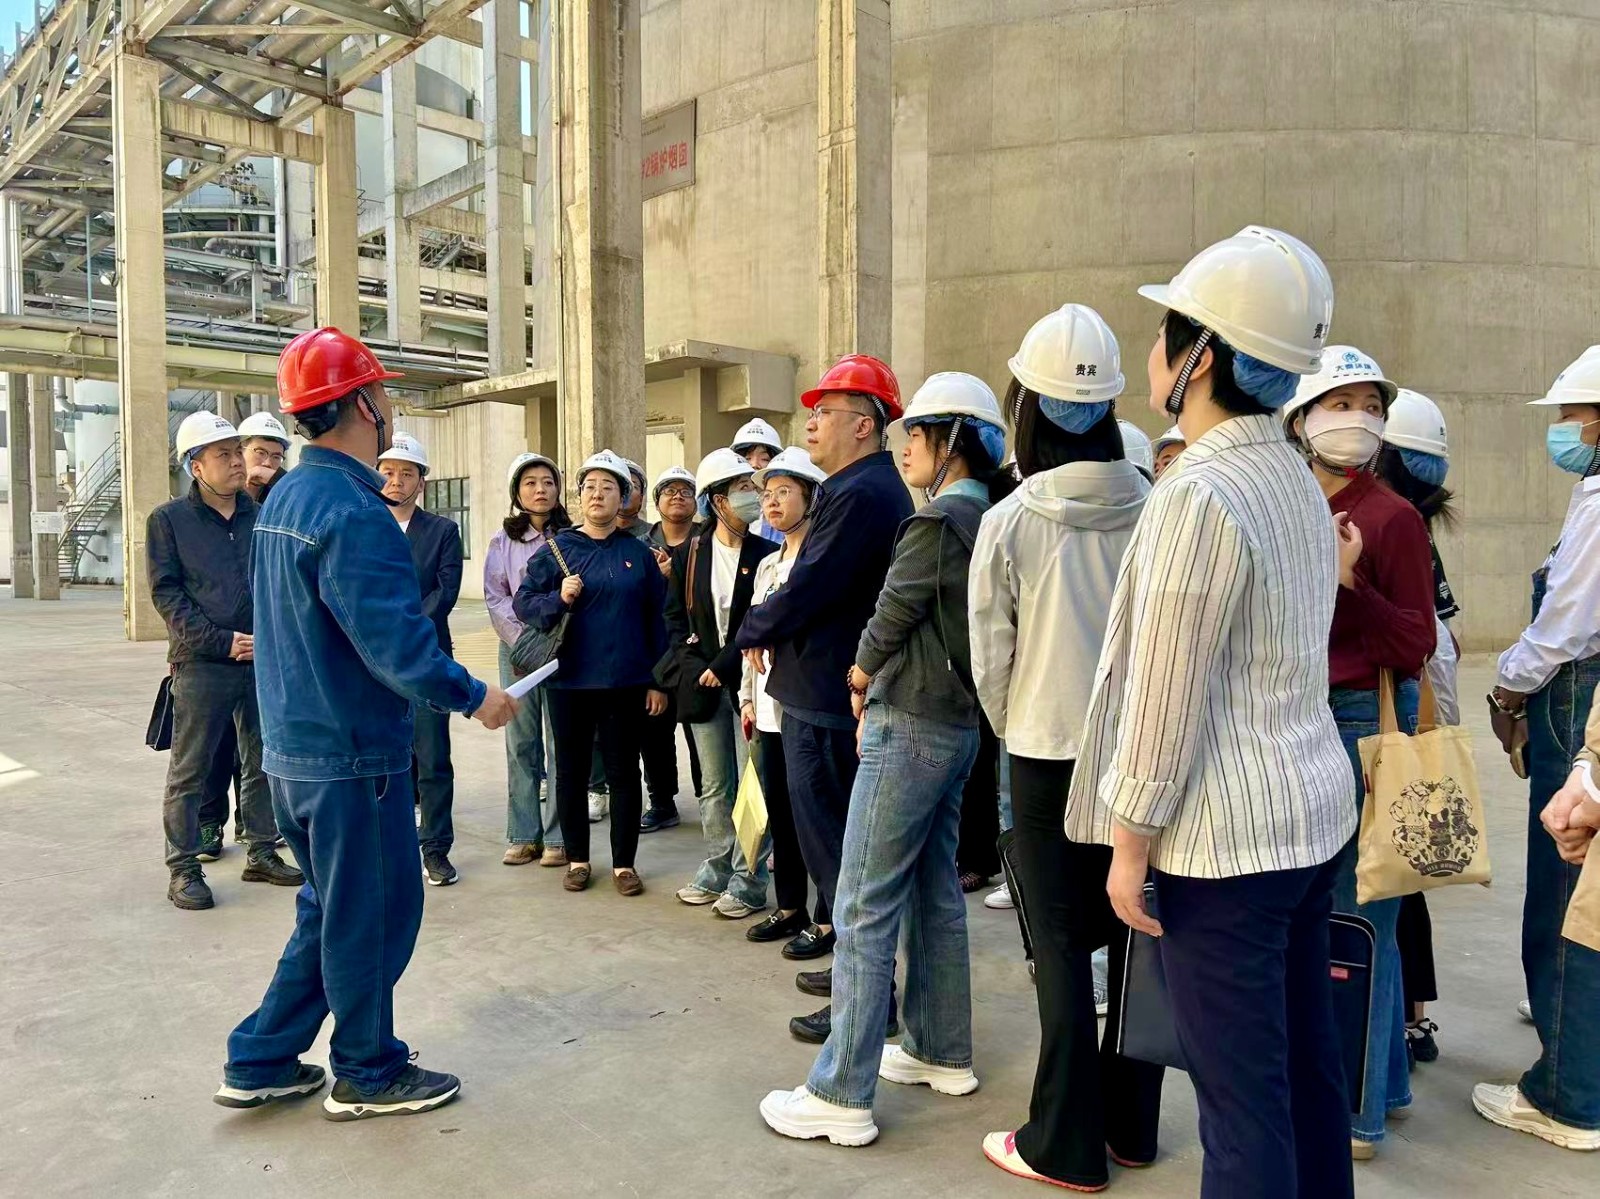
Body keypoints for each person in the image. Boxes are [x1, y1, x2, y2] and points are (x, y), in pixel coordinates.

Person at [1065, 228, 1355, 1198]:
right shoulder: (1294, 477)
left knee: (1241, 1108)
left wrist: (1129, 841)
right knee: (1305, 1074)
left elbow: (1164, 691)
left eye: (1168, 330)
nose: (1153, 348)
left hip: (1225, 846)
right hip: (1305, 818)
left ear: (1201, 358)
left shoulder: (1200, 492)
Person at [217, 327, 516, 1121]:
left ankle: (261, 1057)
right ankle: (367, 1069)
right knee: (374, 917)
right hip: (351, 756)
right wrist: (474, 694)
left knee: (330, 910)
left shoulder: (287, 497)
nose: (389, 406)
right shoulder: (357, 511)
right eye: (382, 392)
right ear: (361, 405)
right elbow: (398, 648)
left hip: (295, 752)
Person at [758, 372, 1005, 1146]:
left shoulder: (936, 521)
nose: (907, 449)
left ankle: (841, 1090)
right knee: (934, 892)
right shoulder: (990, 516)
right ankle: (940, 1047)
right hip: (959, 723)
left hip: (912, 721)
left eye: (918, 436)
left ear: (951, 442)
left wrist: (861, 674)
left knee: (863, 903)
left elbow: (893, 610)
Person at [970, 303, 1163, 1190]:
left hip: (1047, 754)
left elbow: (992, 655)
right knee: (1136, 933)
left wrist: (1019, 728)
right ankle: (1132, 1128)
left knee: (1057, 947)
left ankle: (1064, 1144)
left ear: (1028, 408)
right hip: (1141, 754)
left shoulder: (1012, 520)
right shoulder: (1156, 507)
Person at [1279, 345, 1436, 1161]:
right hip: (1301, 716)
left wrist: (1353, 585)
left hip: (1363, 718)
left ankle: (1357, 1116)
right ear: (1302, 419)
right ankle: (1389, 1085)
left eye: (1371, 404)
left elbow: (1414, 642)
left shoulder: (1392, 517)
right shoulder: (1286, 500)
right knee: (1360, 911)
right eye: (1341, 403)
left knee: (1359, 916)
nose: (1359, 419)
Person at [736, 354, 914, 971]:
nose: (810, 423)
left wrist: (752, 629)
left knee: (838, 850)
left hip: (826, 697)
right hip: (818, 690)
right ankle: (856, 984)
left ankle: (862, 995)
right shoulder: (858, 489)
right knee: (830, 845)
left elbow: (809, 587)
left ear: (864, 425)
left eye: (825, 412)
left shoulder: (860, 494)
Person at [1478, 346, 1600, 1152]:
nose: (1561, 428)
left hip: (1577, 697)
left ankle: (1566, 1093)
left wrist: (1507, 688)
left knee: (1567, 892)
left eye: (1571, 414)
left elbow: (1564, 626)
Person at [149, 412, 303, 910]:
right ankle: (183, 867)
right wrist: (221, 641)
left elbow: (280, 583)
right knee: (190, 769)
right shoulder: (168, 521)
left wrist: (270, 638)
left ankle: (261, 851)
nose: (238, 462)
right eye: (224, 454)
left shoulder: (261, 516)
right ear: (196, 466)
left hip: (261, 659)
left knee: (262, 762)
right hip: (202, 664)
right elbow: (167, 595)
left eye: (238, 452)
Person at [513, 450, 669, 896]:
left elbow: (658, 619)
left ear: (624, 498)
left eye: (608, 487)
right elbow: (525, 603)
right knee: (571, 772)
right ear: (579, 496)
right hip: (570, 681)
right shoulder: (557, 550)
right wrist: (558, 598)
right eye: (590, 487)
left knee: (624, 774)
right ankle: (578, 860)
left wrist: (656, 680)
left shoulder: (637, 554)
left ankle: (624, 865)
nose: (598, 495)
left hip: (625, 682)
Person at [1377, 388, 1459, 1066]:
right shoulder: (1419, 530)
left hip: (1384, 721)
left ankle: (1393, 1023)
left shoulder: (1389, 525)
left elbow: (1429, 646)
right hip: (1415, 724)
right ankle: (1414, 1018)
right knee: (1404, 877)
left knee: (1384, 879)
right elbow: (1446, 646)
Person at [667, 449, 779, 917]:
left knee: (753, 785)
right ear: (717, 500)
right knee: (714, 785)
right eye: (743, 489)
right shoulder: (689, 555)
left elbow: (760, 621)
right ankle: (716, 868)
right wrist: (696, 667)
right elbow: (675, 621)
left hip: (749, 683)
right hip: (703, 684)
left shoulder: (767, 555)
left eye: (754, 487)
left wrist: (725, 664)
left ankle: (749, 879)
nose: (753, 496)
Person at [739, 447, 829, 946]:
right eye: (767, 494)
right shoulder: (768, 566)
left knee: (817, 816)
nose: (771, 502)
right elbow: (751, 636)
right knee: (780, 813)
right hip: (768, 711)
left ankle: (827, 917)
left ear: (812, 497)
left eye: (784, 492)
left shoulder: (819, 563)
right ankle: (790, 906)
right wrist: (747, 698)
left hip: (806, 708)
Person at [197, 412, 295, 854]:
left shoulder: (274, 509)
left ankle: (255, 833)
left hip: (262, 649)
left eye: (276, 457)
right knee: (215, 748)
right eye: (258, 453)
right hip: (212, 651)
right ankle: (208, 825)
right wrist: (216, 640)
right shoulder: (200, 514)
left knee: (258, 750)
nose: (265, 464)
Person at [377, 433, 465, 887]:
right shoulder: (363, 527)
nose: (396, 481)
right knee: (382, 758)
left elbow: (443, 594)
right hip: (374, 664)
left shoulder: (442, 532)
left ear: (421, 482)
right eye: (388, 472)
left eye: (406, 473)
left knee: (432, 758)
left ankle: (436, 848)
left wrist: (401, 634)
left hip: (427, 659)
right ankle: (388, 848)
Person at [486, 452, 570, 867]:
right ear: (517, 493)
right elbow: (495, 596)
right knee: (521, 741)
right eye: (530, 483)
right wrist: (524, 641)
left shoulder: (571, 537)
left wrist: (552, 641)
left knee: (560, 741)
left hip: (562, 649)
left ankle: (558, 837)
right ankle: (523, 834)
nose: (540, 490)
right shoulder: (502, 542)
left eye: (548, 482)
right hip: (518, 648)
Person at [642, 463, 701, 831]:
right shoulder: (641, 546)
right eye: (669, 491)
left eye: (685, 491)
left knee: (703, 736)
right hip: (657, 658)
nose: (677, 497)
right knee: (654, 735)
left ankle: (713, 800)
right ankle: (662, 802)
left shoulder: (708, 541)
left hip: (698, 658)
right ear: (657, 501)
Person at [732, 416, 785, 540]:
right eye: (747, 458)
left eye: (764, 459)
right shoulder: (728, 505)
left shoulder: (783, 506)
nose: (755, 464)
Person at [238, 411, 292, 501]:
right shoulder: (220, 492)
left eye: (276, 457)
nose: (267, 463)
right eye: (260, 452)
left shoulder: (282, 495)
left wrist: (277, 478)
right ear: (239, 451)